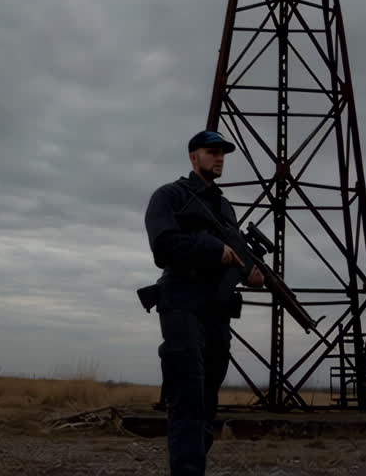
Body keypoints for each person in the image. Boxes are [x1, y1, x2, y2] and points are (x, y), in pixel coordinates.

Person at [144, 130, 264, 476]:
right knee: (188, 397)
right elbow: (163, 247)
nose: (220, 158)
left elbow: (235, 259)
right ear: (193, 157)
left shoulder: (224, 207)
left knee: (207, 401)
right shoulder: (169, 196)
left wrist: (252, 273)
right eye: (212, 152)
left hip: (217, 311)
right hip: (181, 303)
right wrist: (214, 250)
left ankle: (192, 466)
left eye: (223, 153)